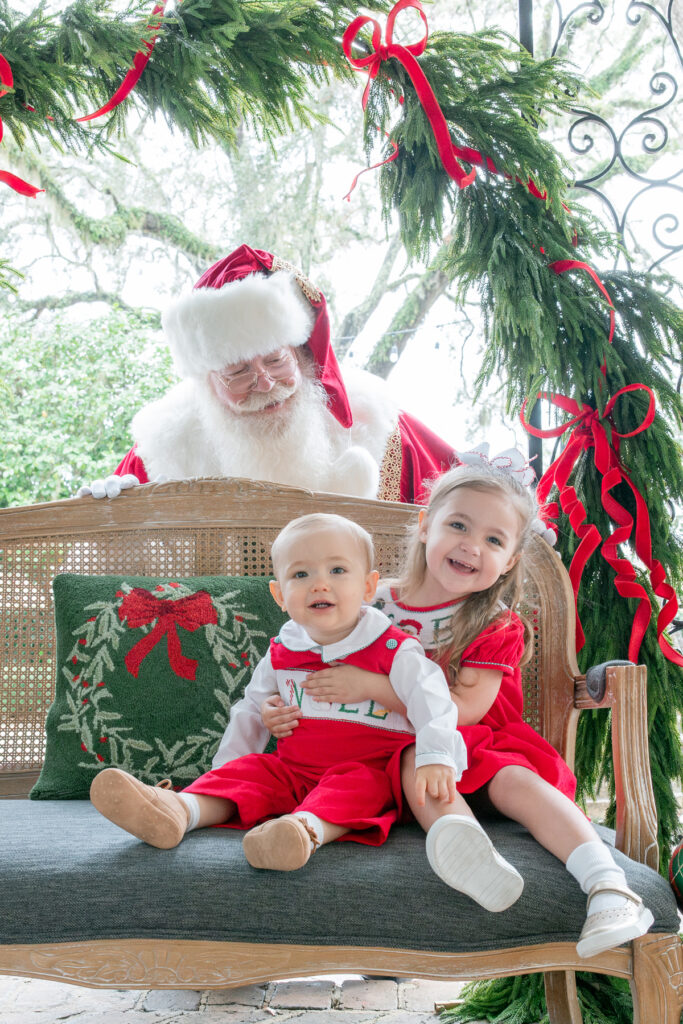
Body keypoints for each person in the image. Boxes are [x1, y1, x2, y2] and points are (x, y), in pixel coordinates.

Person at [262, 454, 655, 956]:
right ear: (426, 526)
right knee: (408, 758)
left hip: (472, 750)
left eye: (494, 540)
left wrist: (372, 685)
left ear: (510, 560)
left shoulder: (494, 622)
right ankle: (473, 855)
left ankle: (608, 886)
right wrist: (279, 708)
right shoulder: (368, 601)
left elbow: (466, 709)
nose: (472, 545)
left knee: (510, 777)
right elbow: (310, 668)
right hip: (369, 764)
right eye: (459, 525)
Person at [89, 513, 471, 874]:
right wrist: (232, 764)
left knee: (352, 789)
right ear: (280, 595)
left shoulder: (392, 649)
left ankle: (301, 832)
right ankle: (178, 809)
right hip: (293, 770)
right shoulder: (282, 650)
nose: (320, 584)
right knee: (251, 773)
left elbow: (432, 700)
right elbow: (251, 709)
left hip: (366, 771)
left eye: (337, 570)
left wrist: (435, 757)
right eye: (301, 574)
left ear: (369, 586)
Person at [79, 244, 457, 504]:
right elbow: (106, 557)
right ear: (207, 384)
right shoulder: (167, 448)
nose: (265, 382)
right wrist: (107, 520)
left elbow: (469, 507)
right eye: (238, 371)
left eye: (276, 360)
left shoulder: (378, 425)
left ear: (302, 354)